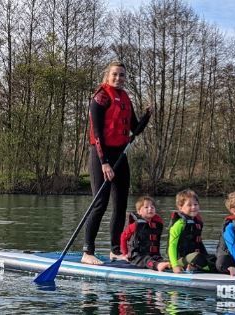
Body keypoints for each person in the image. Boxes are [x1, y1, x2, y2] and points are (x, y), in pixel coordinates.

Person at [82, 61, 152, 265]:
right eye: (115, 74)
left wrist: (147, 116)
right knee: (100, 202)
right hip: (100, 154)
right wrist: (104, 163)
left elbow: (135, 129)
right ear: (107, 75)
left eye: (122, 75)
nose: (118, 78)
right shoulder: (100, 97)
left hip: (120, 154)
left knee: (120, 204)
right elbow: (96, 133)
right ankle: (88, 251)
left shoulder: (125, 98)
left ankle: (114, 250)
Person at [168, 189, 215, 273]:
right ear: (180, 207)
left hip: (194, 257)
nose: (193, 207)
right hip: (180, 260)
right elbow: (172, 246)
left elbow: (199, 243)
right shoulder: (180, 224)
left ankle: (200, 266)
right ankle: (213, 269)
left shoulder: (198, 223)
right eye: (189, 205)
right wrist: (175, 265)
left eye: (195, 204)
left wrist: (207, 257)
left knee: (214, 258)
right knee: (197, 257)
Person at [120, 196, 170, 271]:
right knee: (146, 260)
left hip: (154, 255)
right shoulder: (134, 225)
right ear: (139, 211)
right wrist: (125, 254)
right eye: (146, 207)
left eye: (152, 207)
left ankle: (164, 264)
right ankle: (157, 266)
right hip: (137, 256)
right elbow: (123, 237)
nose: (150, 209)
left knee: (159, 259)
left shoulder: (157, 224)